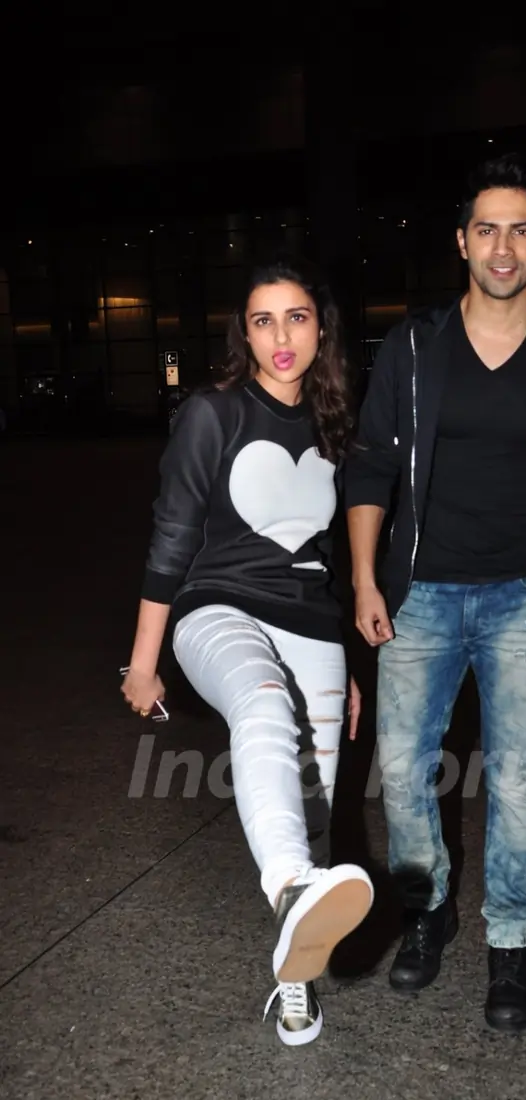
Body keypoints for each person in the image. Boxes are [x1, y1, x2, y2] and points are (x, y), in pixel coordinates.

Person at [345, 153, 526, 1033]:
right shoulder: (417, 344)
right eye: (486, 228)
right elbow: (370, 462)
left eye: (519, 229)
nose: (501, 247)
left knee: (514, 780)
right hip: (421, 595)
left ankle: (509, 942)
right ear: (461, 241)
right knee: (399, 769)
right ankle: (426, 911)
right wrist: (364, 573)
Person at [121, 254, 374, 1046]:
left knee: (318, 803)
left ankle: (295, 979)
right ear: (246, 333)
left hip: (310, 624)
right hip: (215, 607)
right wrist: (142, 657)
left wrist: (344, 662)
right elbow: (171, 535)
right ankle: (290, 885)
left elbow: (321, 556)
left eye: (296, 317)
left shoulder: (334, 423)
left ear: (320, 327)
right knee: (263, 703)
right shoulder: (214, 413)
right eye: (263, 320)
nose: (281, 336)